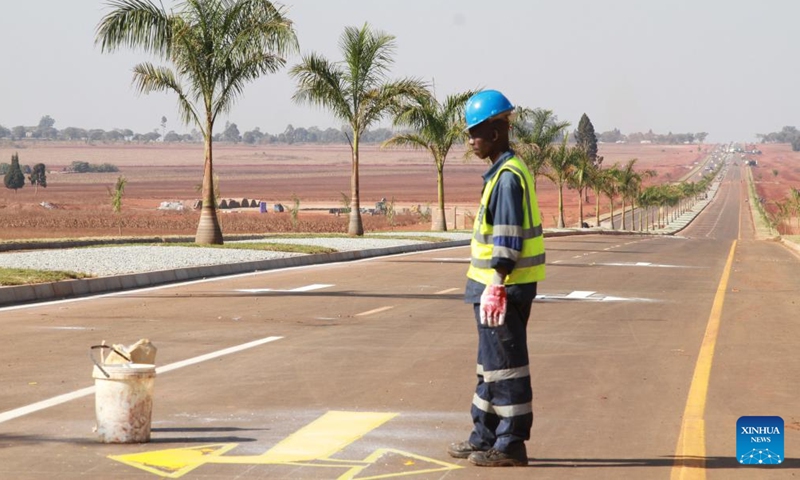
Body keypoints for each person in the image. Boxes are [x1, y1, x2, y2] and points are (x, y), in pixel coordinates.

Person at [447, 90, 545, 467]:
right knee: (489, 367)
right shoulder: (504, 172)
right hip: (493, 287)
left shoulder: (507, 178)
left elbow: (506, 236)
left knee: (506, 368)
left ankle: (510, 444)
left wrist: (496, 284)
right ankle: (484, 436)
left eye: (476, 131)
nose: (471, 140)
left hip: (501, 288)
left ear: (496, 131)